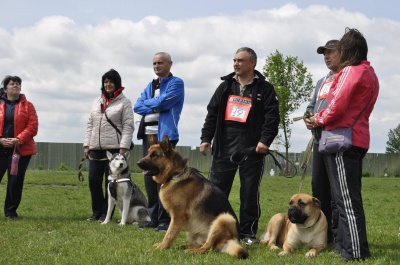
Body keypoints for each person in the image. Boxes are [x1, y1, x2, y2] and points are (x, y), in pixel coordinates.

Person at [309, 28, 379, 261]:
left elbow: (336, 105)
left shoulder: (351, 71)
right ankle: (344, 245)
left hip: (341, 141)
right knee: (348, 198)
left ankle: (355, 251)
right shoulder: (370, 73)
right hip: (358, 138)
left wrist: (318, 119)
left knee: (346, 201)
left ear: (348, 51)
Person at [200, 47, 280, 245]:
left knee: (249, 191)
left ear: (252, 63)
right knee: (216, 190)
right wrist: (205, 138)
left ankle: (247, 233)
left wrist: (264, 141)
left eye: (240, 60)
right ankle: (213, 227)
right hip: (225, 144)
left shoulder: (265, 89)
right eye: (234, 60)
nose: (235, 64)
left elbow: (272, 118)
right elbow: (212, 113)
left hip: (251, 147)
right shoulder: (225, 86)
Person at [134, 52, 184, 232]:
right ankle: (153, 218)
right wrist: (155, 103)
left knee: (165, 179)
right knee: (149, 177)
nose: (156, 66)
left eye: (160, 63)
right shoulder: (150, 85)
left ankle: (165, 220)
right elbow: (137, 106)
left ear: (170, 64)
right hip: (149, 137)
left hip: (165, 139)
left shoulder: (176, 83)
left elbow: (164, 104)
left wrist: (152, 103)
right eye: (154, 63)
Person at [84, 69, 134, 222]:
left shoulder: (125, 103)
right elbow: (90, 124)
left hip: (114, 149)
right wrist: (87, 145)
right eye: (105, 81)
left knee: (111, 183)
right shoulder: (96, 102)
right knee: (93, 180)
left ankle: (106, 214)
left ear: (117, 83)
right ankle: (96, 212)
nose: (108, 84)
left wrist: (123, 147)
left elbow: (128, 125)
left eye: (111, 81)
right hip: (96, 148)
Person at [304, 39, 340, 243]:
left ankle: (338, 233)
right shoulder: (322, 81)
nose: (326, 56)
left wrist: (319, 119)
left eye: (331, 52)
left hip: (336, 140)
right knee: (319, 188)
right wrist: (309, 117)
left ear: (343, 54)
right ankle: (324, 233)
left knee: (337, 191)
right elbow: (311, 105)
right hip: (319, 142)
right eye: (324, 53)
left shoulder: (344, 78)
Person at [0, 75, 38, 219]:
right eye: (12, 84)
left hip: (20, 150)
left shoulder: (28, 106)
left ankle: (10, 212)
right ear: (5, 89)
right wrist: (1, 140)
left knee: (15, 181)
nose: (15, 86)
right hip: (0, 148)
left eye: (18, 84)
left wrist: (18, 139)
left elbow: (33, 126)